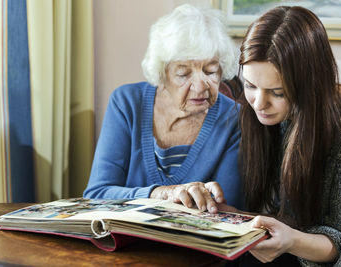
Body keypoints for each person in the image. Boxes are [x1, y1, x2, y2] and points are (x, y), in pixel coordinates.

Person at [230, 5, 341, 267]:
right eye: (250, 85)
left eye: (278, 92)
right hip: (306, 239)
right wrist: (223, 215)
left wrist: (292, 241)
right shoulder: (267, 113)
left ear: (310, 82)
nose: (259, 103)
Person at [83, 4, 243, 213]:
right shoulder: (127, 103)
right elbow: (96, 194)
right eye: (184, 74)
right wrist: (162, 193)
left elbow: (226, 210)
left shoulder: (233, 118)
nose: (200, 86)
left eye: (210, 71)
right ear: (161, 74)